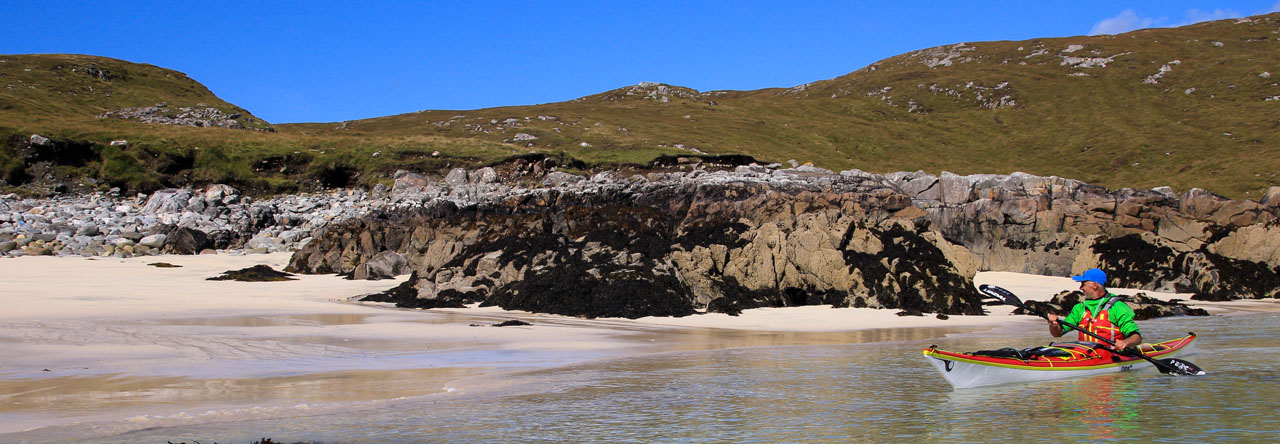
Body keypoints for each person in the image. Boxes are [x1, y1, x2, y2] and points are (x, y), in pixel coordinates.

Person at [1046, 268, 1142, 351]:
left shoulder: (1117, 307)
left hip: (1112, 354)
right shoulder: (1080, 308)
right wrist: (1053, 325)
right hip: (1086, 354)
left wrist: (1125, 342)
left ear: (1095, 285)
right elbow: (1057, 334)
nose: (1080, 288)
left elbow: (1137, 337)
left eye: (1083, 284)